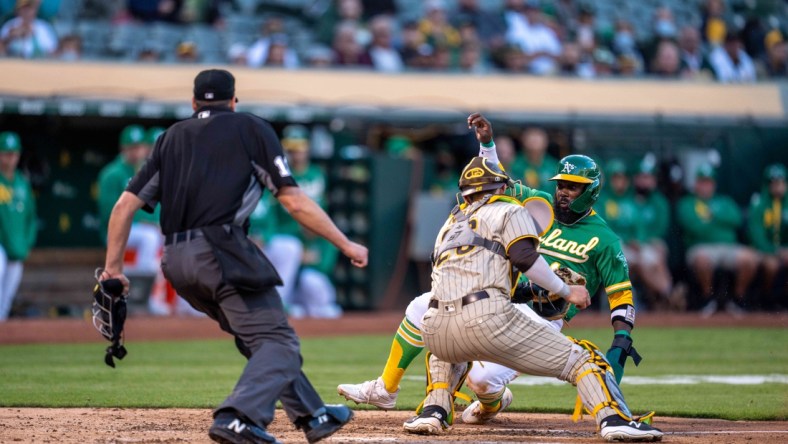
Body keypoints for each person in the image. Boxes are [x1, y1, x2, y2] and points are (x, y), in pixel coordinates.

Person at [100, 69, 367, 443]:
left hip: (175, 260)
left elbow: (123, 207)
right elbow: (292, 199)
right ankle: (237, 416)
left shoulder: (169, 138)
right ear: (234, 100)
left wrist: (113, 270)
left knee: (258, 337)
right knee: (279, 342)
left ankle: (313, 415)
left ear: (194, 103)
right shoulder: (252, 129)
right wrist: (345, 243)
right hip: (220, 252)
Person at [339, 115, 650, 427]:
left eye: (574, 187)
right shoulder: (541, 204)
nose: (564, 192)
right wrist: (487, 144)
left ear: (592, 191)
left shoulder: (605, 240)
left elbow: (621, 296)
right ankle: (386, 388)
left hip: (541, 318)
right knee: (425, 305)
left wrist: (621, 340)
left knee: (480, 379)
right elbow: (495, 183)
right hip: (498, 300)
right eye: (562, 185)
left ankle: (493, 401)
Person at [677, 163, 758, 318]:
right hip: (701, 246)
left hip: (728, 247)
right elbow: (694, 227)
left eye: (708, 182)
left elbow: (737, 219)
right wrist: (720, 225)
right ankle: (708, 298)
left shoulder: (724, 201)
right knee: (702, 260)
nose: (705, 186)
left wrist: (712, 218)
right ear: (696, 184)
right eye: (702, 182)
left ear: (714, 184)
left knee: (750, 258)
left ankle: (737, 299)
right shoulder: (688, 203)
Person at [97, 125, 162, 279]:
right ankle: (140, 285)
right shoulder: (111, 174)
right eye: (131, 147)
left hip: (143, 229)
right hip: (116, 230)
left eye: (139, 146)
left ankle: (159, 296)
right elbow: (110, 212)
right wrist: (145, 222)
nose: (136, 151)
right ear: (123, 148)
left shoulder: (144, 170)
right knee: (150, 237)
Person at [0, 131, 36, 321]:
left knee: (7, 296)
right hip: (1, 246)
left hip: (18, 246)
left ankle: (3, 334)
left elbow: (31, 217)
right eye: (6, 153)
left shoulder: (22, 183)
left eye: (14, 153)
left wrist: (26, 243)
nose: (11, 158)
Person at [747, 163, 787, 308]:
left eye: (781, 182)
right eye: (774, 182)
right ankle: (767, 299)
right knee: (771, 265)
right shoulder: (759, 203)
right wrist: (776, 251)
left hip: (784, 250)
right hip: (764, 251)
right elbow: (756, 235)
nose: (778, 186)